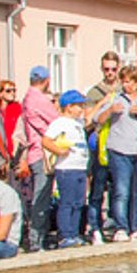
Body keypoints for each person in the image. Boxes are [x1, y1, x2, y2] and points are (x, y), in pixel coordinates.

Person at [97, 69, 137, 241]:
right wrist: (110, 111)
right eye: (124, 81)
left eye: (130, 81)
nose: (126, 85)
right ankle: (121, 227)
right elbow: (97, 120)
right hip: (119, 149)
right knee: (121, 191)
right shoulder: (116, 98)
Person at [16, 66, 60, 252]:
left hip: (36, 151)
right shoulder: (39, 99)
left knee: (40, 197)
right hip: (41, 153)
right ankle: (36, 241)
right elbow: (57, 121)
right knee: (41, 197)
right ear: (47, 80)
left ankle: (37, 238)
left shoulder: (27, 98)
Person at [43, 90, 92, 248]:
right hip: (67, 168)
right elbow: (46, 140)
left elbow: (91, 118)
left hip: (79, 167)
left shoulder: (78, 123)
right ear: (69, 107)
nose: (81, 109)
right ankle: (65, 235)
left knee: (79, 202)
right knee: (67, 202)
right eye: (79, 106)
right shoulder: (60, 123)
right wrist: (58, 151)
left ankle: (74, 233)